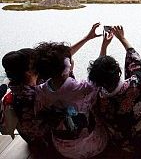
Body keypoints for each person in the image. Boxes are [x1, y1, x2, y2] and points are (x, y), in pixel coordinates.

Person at [87, 26, 141, 156]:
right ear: (119, 72)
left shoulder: (97, 100)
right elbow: (138, 63)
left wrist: (104, 47)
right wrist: (122, 38)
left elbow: (98, 78)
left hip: (125, 146)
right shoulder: (137, 84)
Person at [33, 23, 108, 159]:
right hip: (91, 146)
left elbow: (55, 61)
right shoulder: (81, 88)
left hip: (62, 147)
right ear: (64, 72)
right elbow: (100, 72)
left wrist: (87, 38)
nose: (71, 60)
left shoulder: (40, 90)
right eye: (69, 62)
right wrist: (104, 46)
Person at [1, 48, 52, 146]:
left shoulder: (17, 88)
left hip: (28, 137)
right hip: (43, 142)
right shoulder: (34, 95)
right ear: (28, 71)